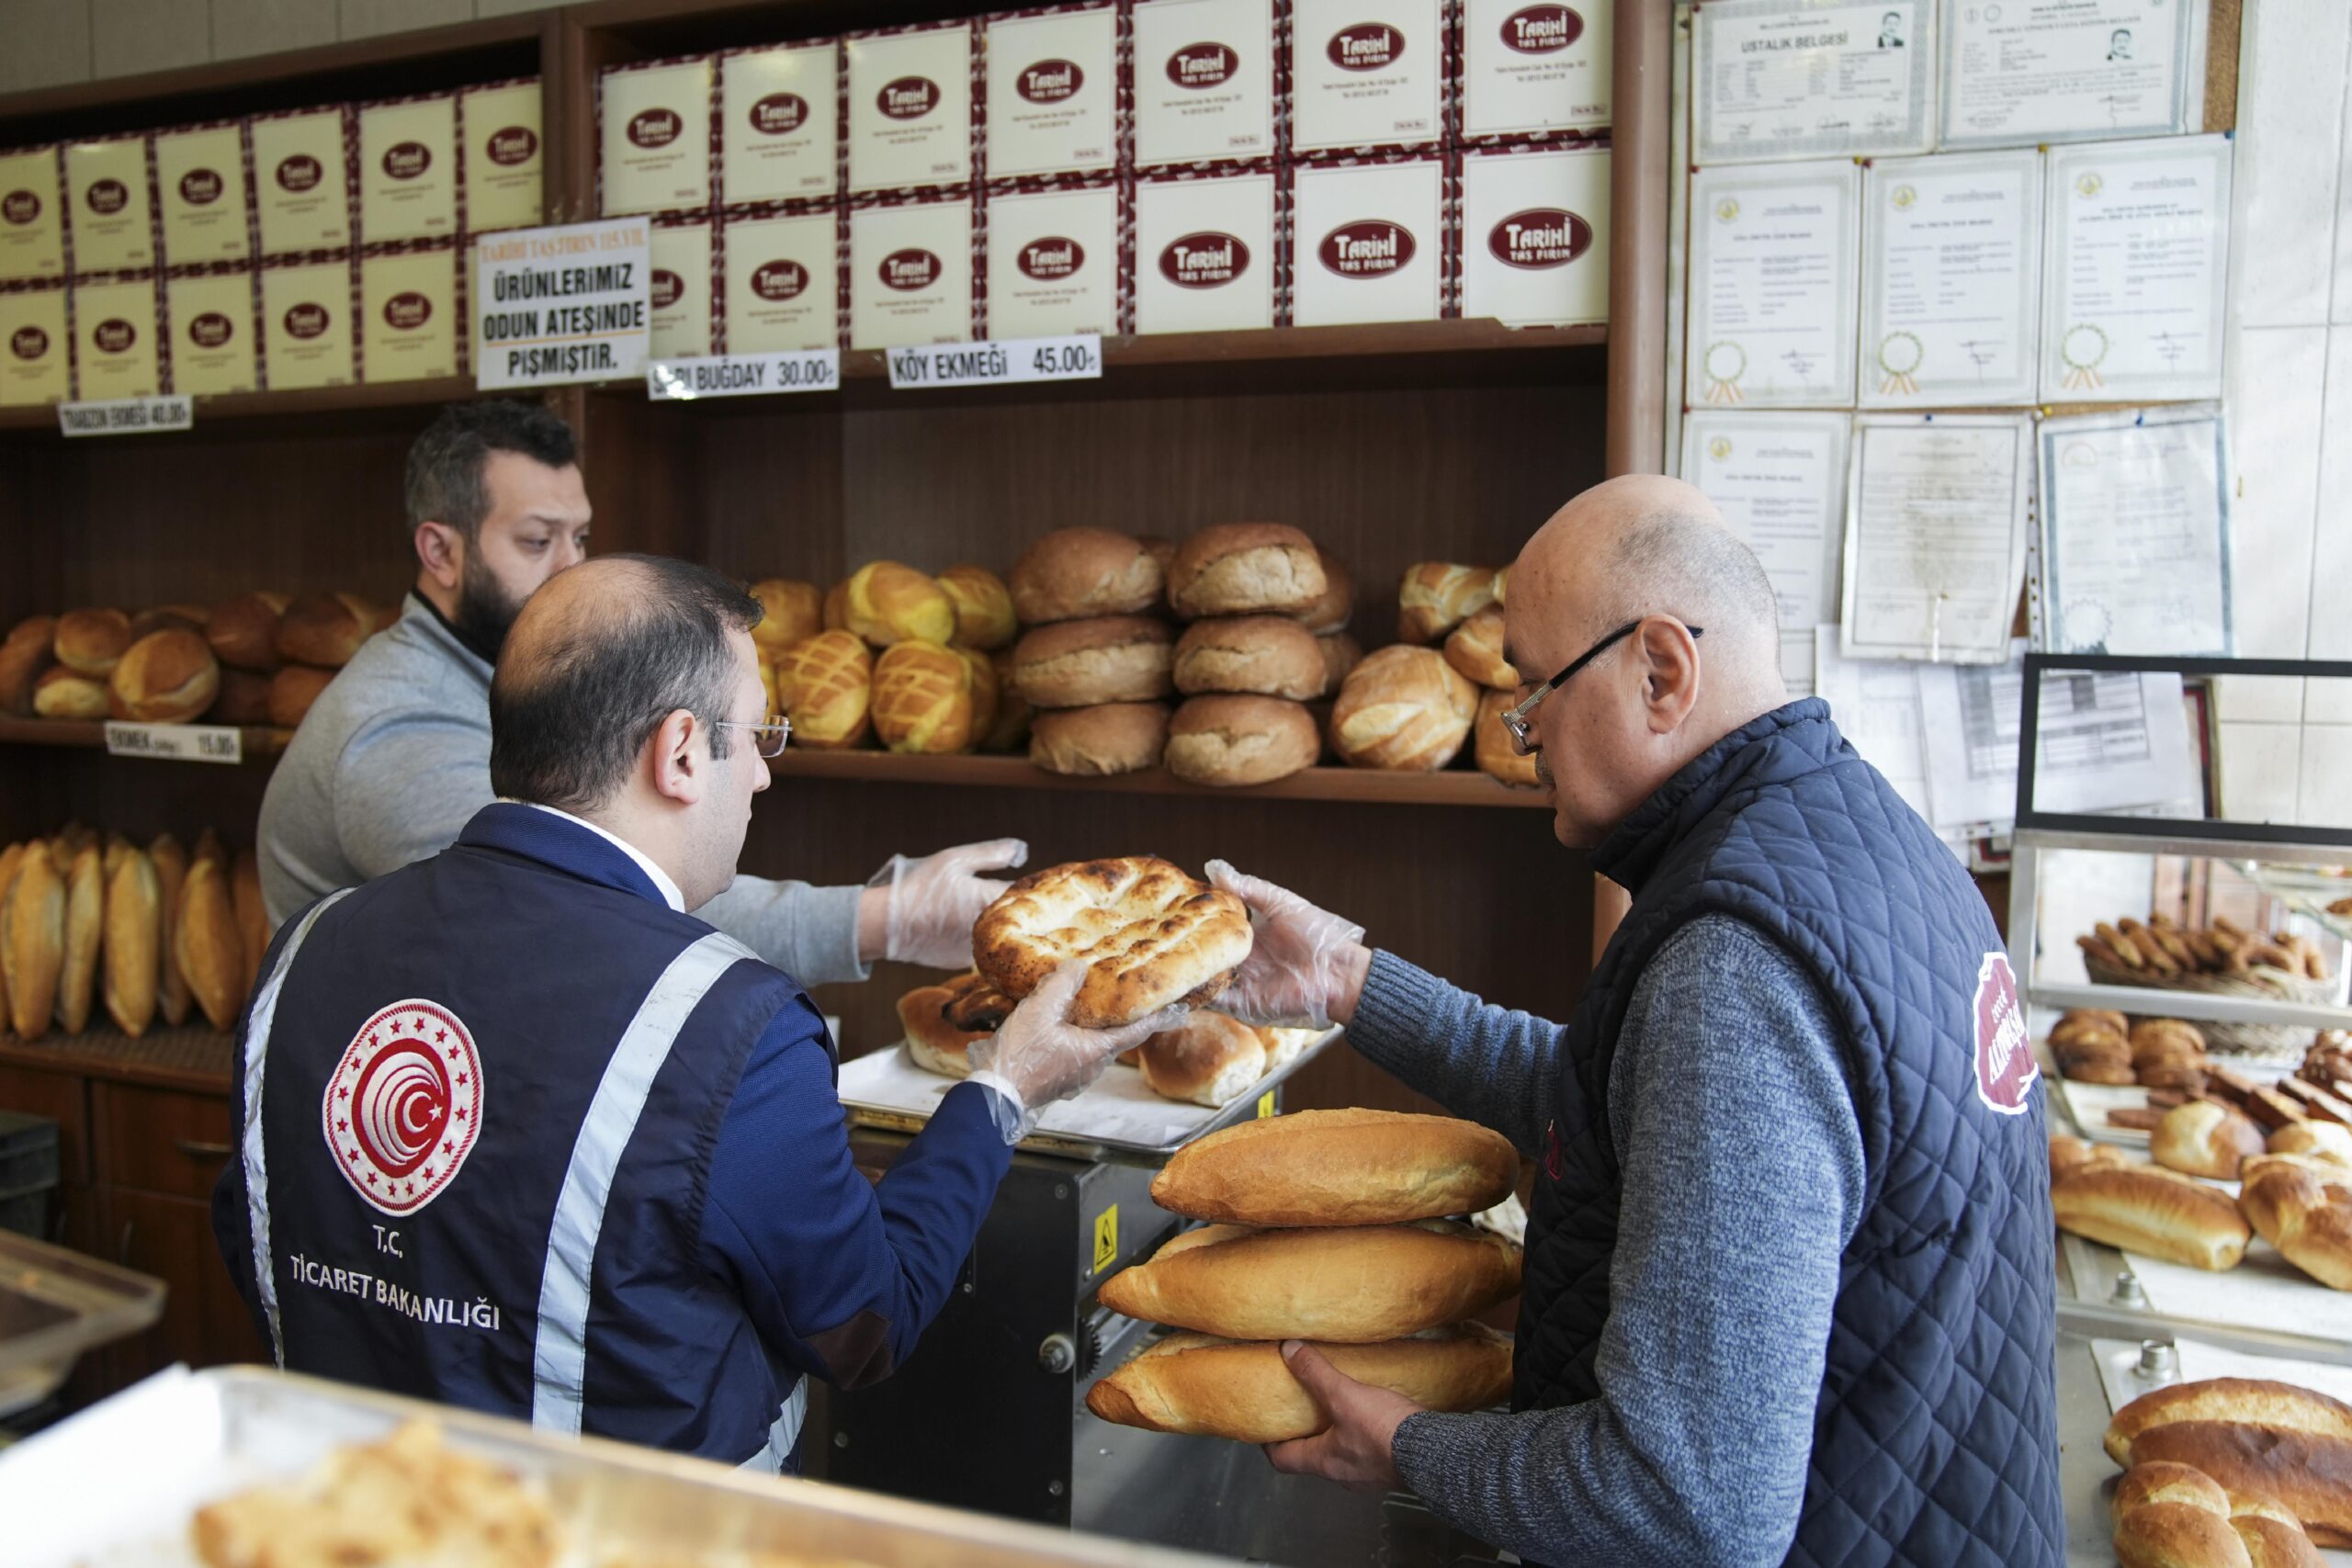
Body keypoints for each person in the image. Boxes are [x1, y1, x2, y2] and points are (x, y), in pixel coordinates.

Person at [1206, 476, 2064, 1566]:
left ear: (1659, 670)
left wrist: (1414, 1447)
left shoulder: (1736, 963)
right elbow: (1631, 1105)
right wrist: (1343, 978)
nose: (1522, 742)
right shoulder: (1867, 843)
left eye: (1533, 693)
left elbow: (1687, 1506)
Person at [213, 556, 1173, 1469]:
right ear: (678, 753)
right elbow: (863, 1323)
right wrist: (1003, 1089)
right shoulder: (727, 1023)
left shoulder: (306, 949)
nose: (761, 774)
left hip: (332, 1517)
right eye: (757, 737)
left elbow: (255, 1226)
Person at [258, 399, 1008, 985]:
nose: (571, 569)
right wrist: (889, 918)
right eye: (535, 540)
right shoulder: (396, 725)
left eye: (579, 538)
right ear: (439, 551)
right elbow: (585, 911)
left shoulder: (514, 681)